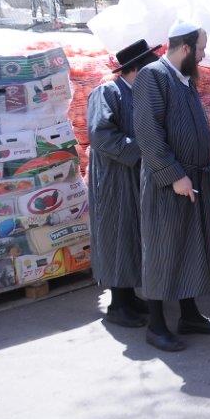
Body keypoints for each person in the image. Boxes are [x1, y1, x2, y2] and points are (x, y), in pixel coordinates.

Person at [132, 20, 210, 353]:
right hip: (169, 184)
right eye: (201, 48)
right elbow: (148, 134)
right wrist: (174, 175)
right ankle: (156, 326)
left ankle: (190, 315)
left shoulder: (183, 80)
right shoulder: (153, 76)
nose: (204, 55)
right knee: (163, 250)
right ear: (185, 48)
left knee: (189, 247)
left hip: (193, 179)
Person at [87, 39, 161, 328]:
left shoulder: (140, 94)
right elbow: (101, 135)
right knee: (116, 234)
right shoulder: (107, 92)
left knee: (132, 234)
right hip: (114, 178)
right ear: (135, 69)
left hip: (136, 174)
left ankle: (129, 297)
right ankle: (117, 305)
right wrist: (141, 148)